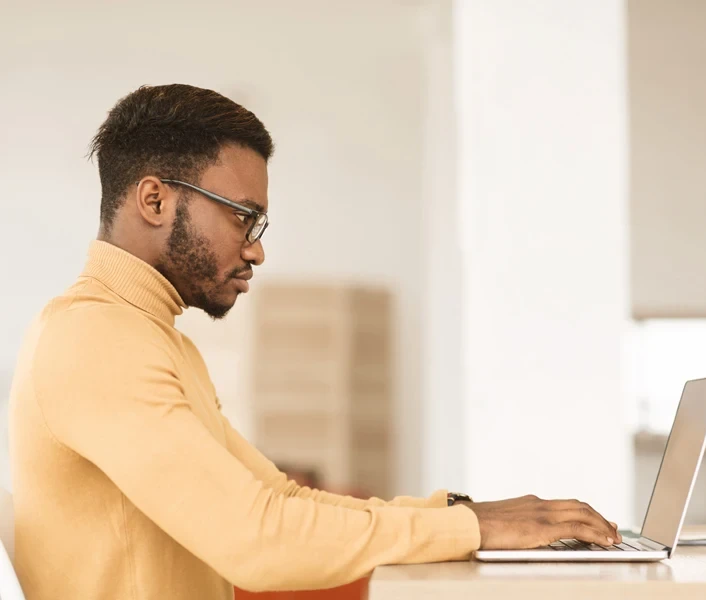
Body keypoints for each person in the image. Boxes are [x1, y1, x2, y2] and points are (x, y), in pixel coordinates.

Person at [8, 84, 621, 600]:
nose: (255, 248)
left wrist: (459, 516)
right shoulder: (95, 339)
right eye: (242, 216)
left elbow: (278, 499)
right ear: (154, 199)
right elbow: (256, 539)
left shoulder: (147, 340)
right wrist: (471, 529)